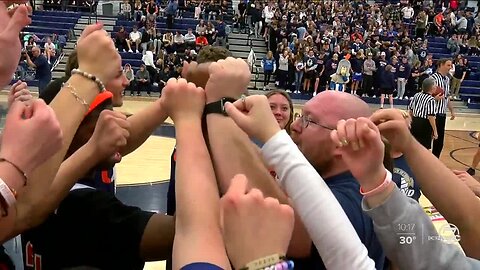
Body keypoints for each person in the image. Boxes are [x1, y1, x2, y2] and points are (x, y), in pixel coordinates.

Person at [430, 58, 455, 158]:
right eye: (448, 65)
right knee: (427, 140)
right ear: (441, 65)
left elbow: (447, 97)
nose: (450, 67)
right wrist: (434, 98)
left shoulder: (447, 79)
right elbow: (426, 96)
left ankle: (434, 162)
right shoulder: (433, 78)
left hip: (441, 114)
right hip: (432, 114)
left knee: (439, 142)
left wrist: (452, 110)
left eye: (451, 65)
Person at [408, 78, 438, 149]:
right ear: (432, 88)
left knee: (413, 146)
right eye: (435, 85)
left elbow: (410, 111)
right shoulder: (431, 100)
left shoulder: (416, 95)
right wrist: (435, 131)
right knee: (424, 148)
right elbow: (431, 117)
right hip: (424, 125)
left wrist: (410, 122)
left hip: (414, 122)